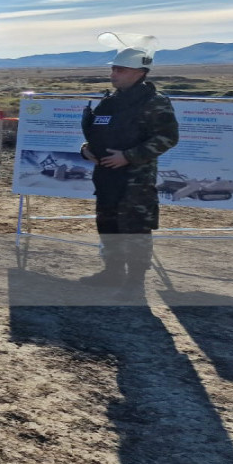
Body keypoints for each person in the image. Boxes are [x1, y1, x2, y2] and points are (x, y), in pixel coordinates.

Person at [79, 37, 178, 288]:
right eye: (113, 68)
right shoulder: (110, 101)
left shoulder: (155, 102)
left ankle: (135, 282)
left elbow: (168, 137)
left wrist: (128, 156)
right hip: (106, 177)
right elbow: (99, 133)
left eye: (119, 69)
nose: (113, 73)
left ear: (139, 72)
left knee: (135, 229)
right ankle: (112, 272)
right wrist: (86, 150)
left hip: (136, 180)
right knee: (108, 223)